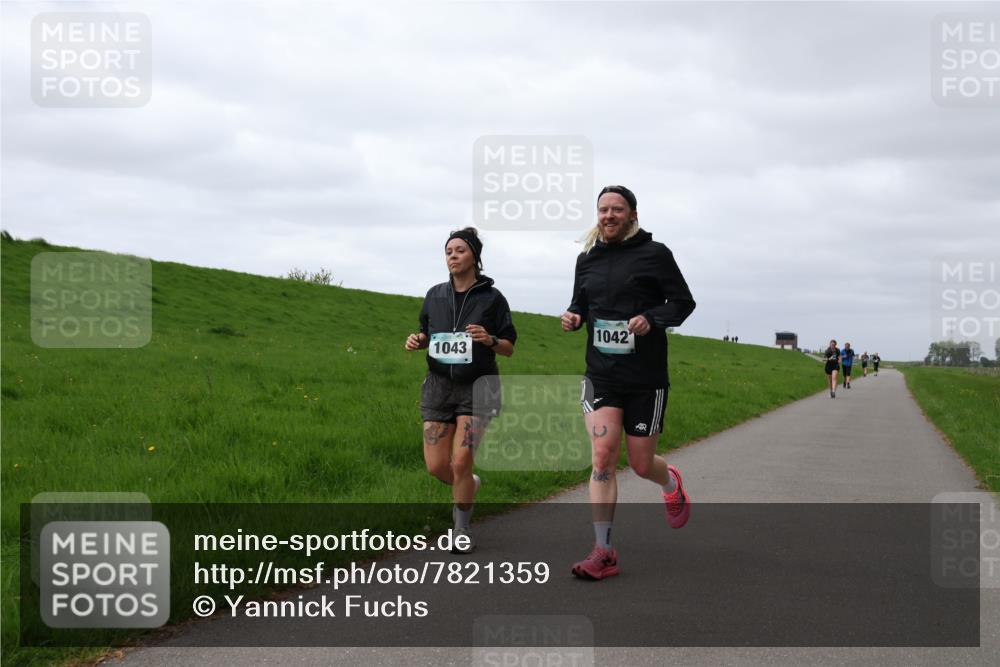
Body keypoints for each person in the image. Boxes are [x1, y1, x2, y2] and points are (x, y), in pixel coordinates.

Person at [560, 185, 696, 580]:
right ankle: (604, 550)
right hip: (602, 374)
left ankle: (670, 481)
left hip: (646, 378)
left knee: (639, 464)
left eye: (617, 209)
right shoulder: (586, 259)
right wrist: (573, 317)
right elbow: (580, 303)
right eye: (602, 209)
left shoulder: (655, 255)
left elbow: (682, 303)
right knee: (602, 456)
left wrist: (652, 318)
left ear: (633, 215)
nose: (608, 216)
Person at [404, 227, 517, 554]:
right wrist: (418, 340)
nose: (453, 256)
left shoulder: (493, 299)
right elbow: (427, 332)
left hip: (478, 388)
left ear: (475, 257)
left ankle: (461, 528)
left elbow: (509, 347)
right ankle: (468, 485)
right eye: (449, 251)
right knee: (439, 467)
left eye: (460, 251)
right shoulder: (434, 294)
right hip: (439, 388)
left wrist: (490, 339)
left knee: (462, 459)